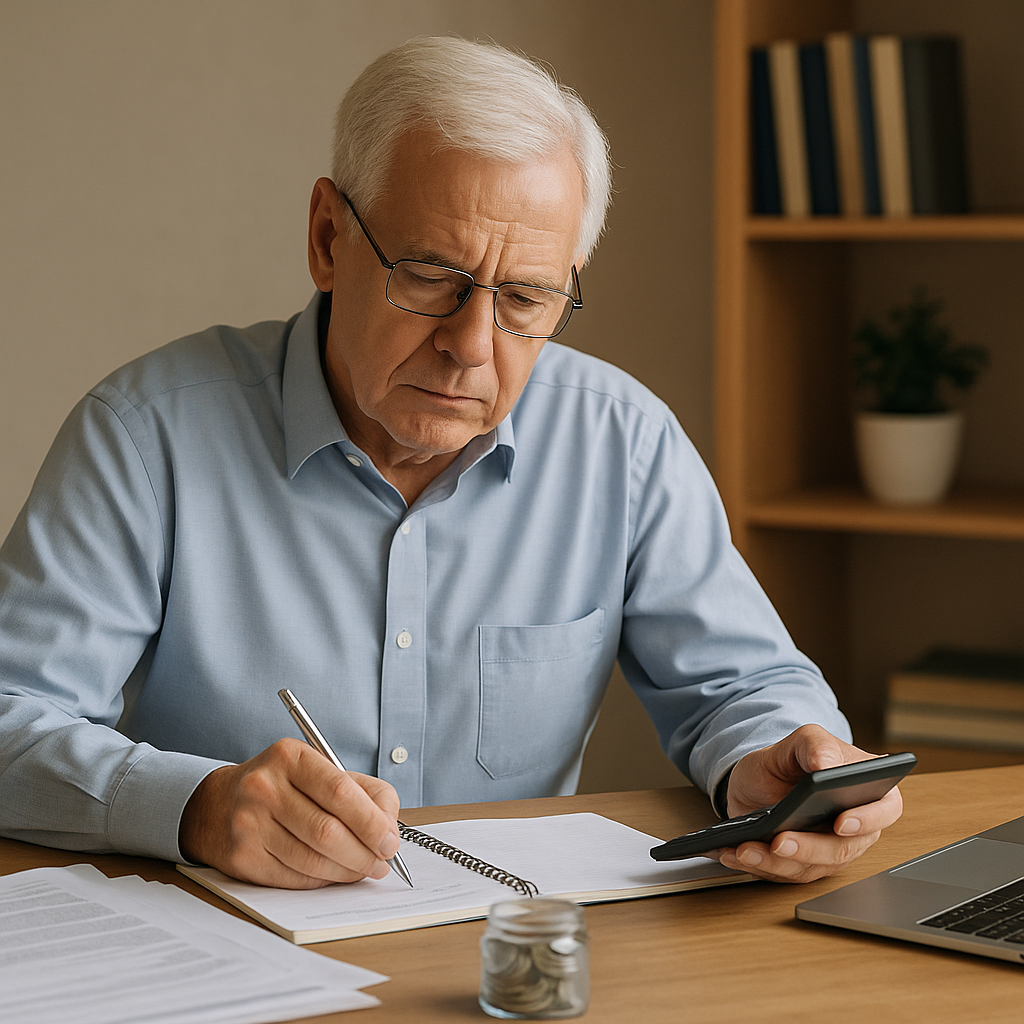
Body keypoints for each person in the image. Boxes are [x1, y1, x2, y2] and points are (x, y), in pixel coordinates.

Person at [0, 36, 901, 890]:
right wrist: (195, 809)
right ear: (326, 238)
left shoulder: (621, 440)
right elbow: (11, 719)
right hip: (233, 948)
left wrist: (780, 758)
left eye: (525, 296)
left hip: (510, 953)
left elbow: (744, 684)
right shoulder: (146, 435)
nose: (472, 346)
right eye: (430, 276)